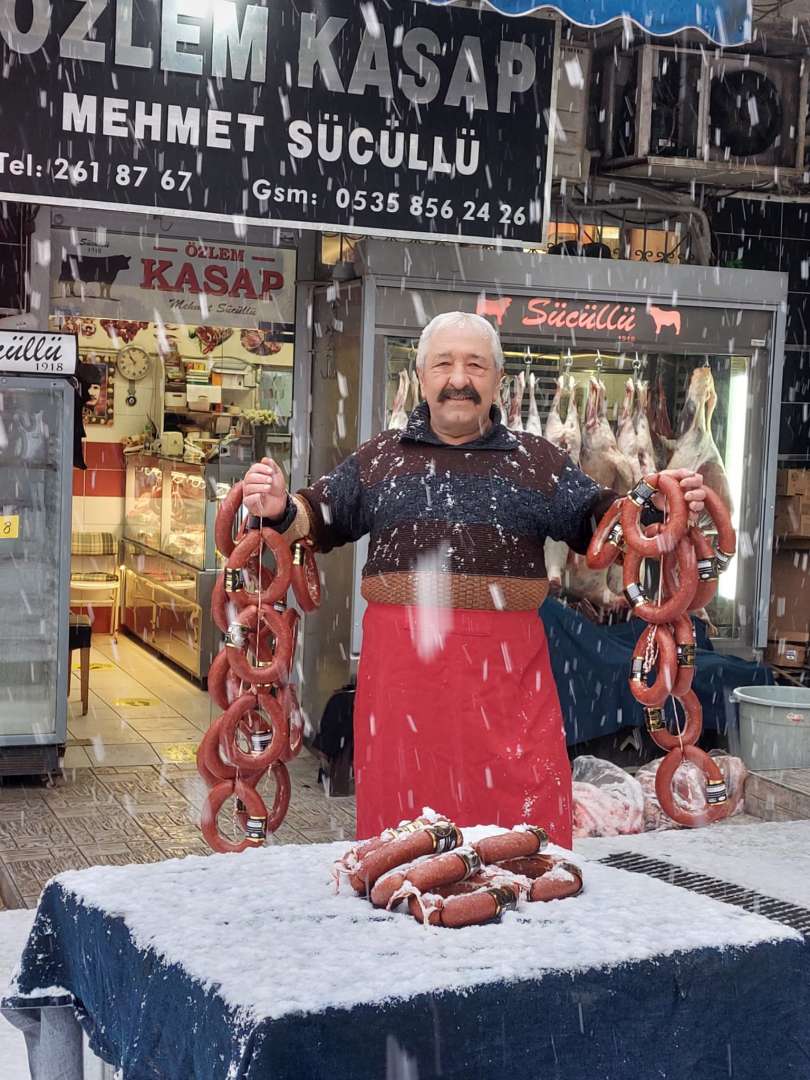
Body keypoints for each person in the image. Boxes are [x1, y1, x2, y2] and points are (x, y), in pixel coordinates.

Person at [242, 312, 707, 847]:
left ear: (498, 379)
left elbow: (600, 523)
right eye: (443, 364)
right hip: (403, 688)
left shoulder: (537, 462)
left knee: (523, 841)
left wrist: (657, 507)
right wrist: (278, 507)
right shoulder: (380, 458)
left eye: (475, 365)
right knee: (402, 844)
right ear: (422, 377)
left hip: (507, 689)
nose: (458, 379)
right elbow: (318, 517)